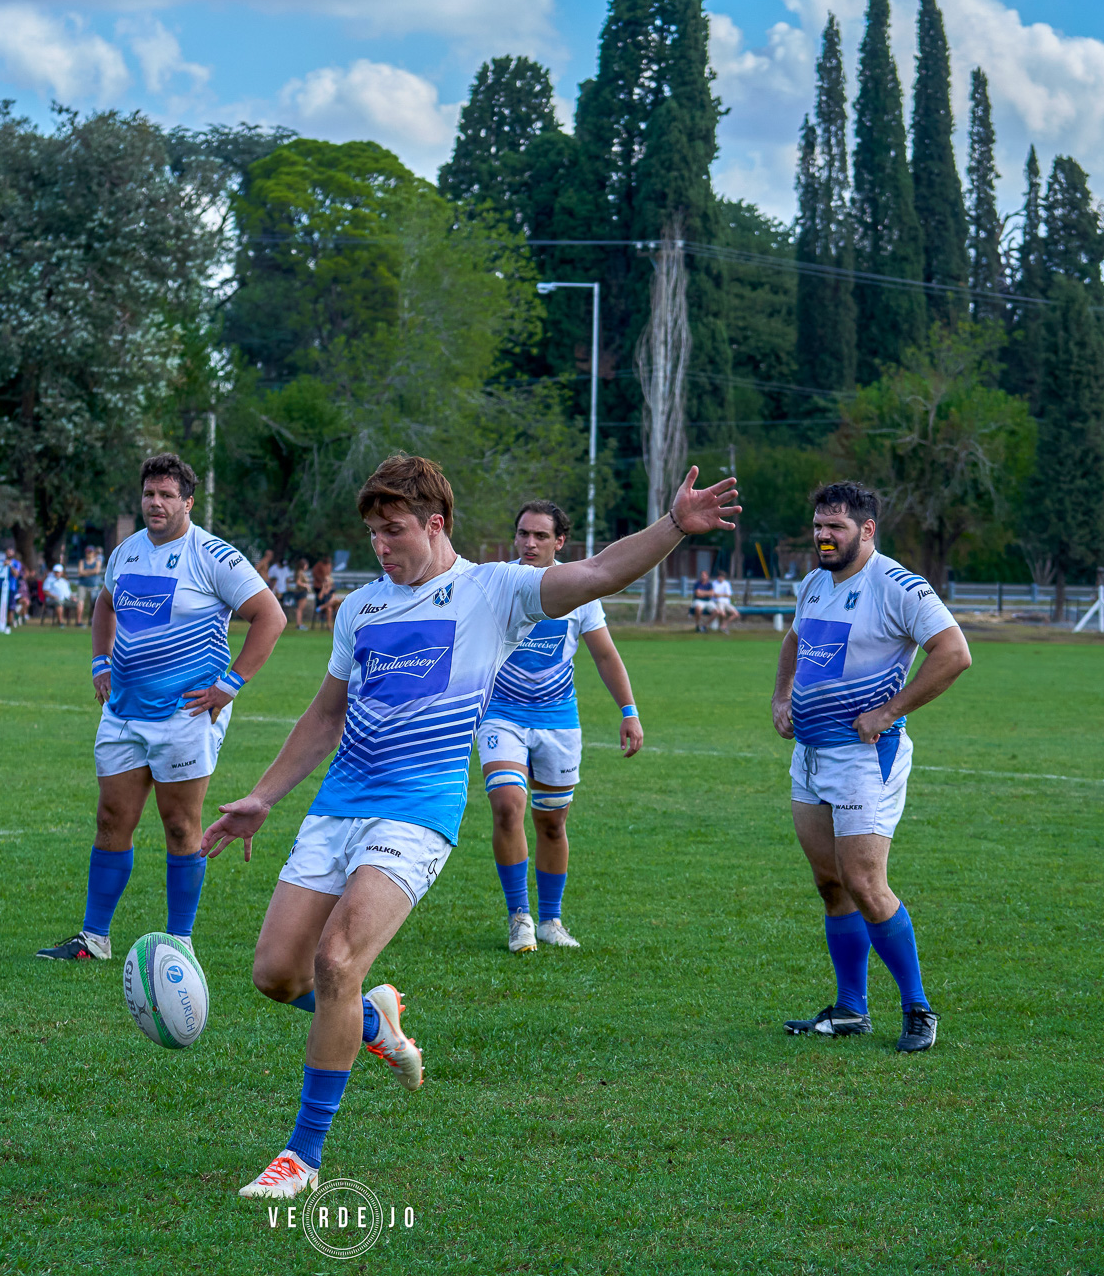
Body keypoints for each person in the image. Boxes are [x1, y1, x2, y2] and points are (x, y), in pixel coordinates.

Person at [201, 455, 739, 1198]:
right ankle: (372, 1020)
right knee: (275, 975)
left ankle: (302, 1157)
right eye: (371, 534)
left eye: (393, 532)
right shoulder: (360, 608)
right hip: (337, 807)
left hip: (418, 811)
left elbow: (599, 574)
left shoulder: (494, 590)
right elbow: (326, 714)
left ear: (436, 523)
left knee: (336, 960)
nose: (380, 547)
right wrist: (263, 795)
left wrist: (676, 525)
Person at [36, 453, 286, 962]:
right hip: (125, 711)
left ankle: (180, 943)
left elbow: (270, 616)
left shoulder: (213, 555)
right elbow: (105, 604)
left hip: (186, 714)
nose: (156, 502)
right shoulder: (126, 552)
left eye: (167, 495)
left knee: (180, 826)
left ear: (187, 502)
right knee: (111, 819)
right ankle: (94, 939)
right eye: (149, 493)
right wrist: (99, 663)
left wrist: (230, 684)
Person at [771, 482, 971, 1054]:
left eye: (835, 527)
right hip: (809, 755)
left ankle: (917, 1008)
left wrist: (889, 710)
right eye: (818, 526)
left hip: (863, 759)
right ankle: (851, 1010)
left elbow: (955, 653)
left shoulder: (898, 585)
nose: (823, 536)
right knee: (830, 882)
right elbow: (794, 641)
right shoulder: (814, 583)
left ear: (867, 530)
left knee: (864, 882)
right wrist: (783, 696)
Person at [479, 500, 645, 954]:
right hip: (501, 714)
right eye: (522, 534)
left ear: (560, 541)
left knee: (552, 824)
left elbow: (605, 655)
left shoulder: (578, 591)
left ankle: (551, 919)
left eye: (539, 536)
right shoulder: (498, 582)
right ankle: (520, 918)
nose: (529, 543)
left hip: (557, 719)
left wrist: (629, 711)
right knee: (508, 804)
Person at [74, 544, 104, 626]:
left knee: (94, 603)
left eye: (90, 552)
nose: (89, 554)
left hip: (94, 585)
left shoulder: (98, 561)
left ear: (93, 553)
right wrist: (91, 571)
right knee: (80, 603)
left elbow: (96, 571)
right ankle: (79, 622)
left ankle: (92, 620)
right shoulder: (82, 561)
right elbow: (80, 572)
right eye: (87, 552)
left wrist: (85, 571)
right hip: (82, 585)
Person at [310, 557, 339, 632]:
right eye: (325, 581)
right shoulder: (321, 589)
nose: (325, 582)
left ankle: (322, 607)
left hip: (329, 605)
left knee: (336, 605)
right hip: (323, 604)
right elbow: (319, 598)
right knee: (329, 609)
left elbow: (333, 599)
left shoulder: (332, 589)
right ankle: (330, 627)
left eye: (327, 581)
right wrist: (323, 589)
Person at [712, 569, 739, 633]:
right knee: (723, 614)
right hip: (719, 602)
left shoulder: (727, 583)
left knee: (736, 614)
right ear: (718, 577)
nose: (721, 578)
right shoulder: (714, 583)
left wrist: (721, 594)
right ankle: (721, 628)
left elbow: (729, 595)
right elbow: (715, 595)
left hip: (727, 603)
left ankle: (723, 626)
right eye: (720, 577)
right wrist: (724, 594)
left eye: (722, 577)